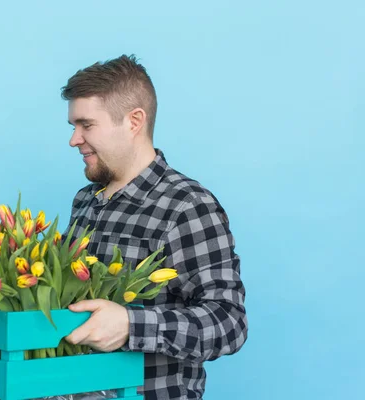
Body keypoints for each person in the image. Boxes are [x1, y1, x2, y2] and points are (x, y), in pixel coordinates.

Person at [60, 54, 248, 400]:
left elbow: (228, 322)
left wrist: (131, 326)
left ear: (134, 121)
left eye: (86, 125)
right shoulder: (85, 200)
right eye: (73, 126)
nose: (74, 139)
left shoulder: (187, 205)